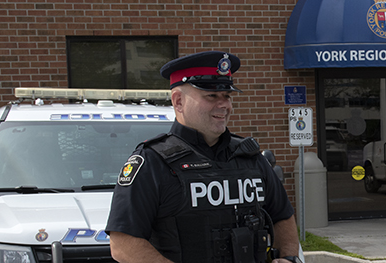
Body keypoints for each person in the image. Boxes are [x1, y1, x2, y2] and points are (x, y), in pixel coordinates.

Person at [106, 51, 301, 263]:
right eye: (211, 96)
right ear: (178, 101)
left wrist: (289, 258)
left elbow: (283, 215)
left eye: (227, 96)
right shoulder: (152, 163)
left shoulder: (249, 157)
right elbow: (123, 244)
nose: (224, 105)